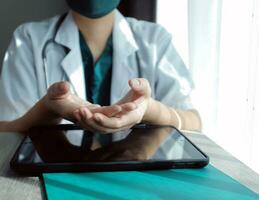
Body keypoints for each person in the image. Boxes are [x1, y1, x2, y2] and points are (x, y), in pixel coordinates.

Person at [0, 0, 201, 159]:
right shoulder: (28, 38)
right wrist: (47, 110)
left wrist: (150, 110)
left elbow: (194, 122)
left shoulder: (155, 39)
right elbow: (6, 129)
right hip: (56, 178)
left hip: (132, 179)